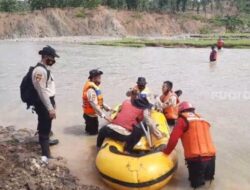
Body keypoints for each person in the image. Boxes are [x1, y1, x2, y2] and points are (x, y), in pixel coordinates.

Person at [162, 102, 216, 188]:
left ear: (180, 111)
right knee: (208, 183)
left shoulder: (182, 120)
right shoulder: (202, 119)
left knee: (196, 186)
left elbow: (173, 139)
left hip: (197, 159)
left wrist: (166, 153)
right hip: (212, 158)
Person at [97, 89, 162, 152]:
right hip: (123, 135)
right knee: (139, 130)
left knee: (102, 131)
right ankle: (127, 150)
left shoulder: (125, 102)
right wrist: (158, 134)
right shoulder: (143, 109)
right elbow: (147, 121)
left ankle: (97, 148)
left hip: (108, 130)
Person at [32, 46, 59, 159]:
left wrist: (53, 103)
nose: (53, 60)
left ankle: (46, 143)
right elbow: (41, 91)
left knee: (45, 125)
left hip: (47, 101)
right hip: (44, 103)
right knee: (45, 128)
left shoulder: (44, 69)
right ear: (46, 57)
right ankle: (46, 156)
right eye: (52, 58)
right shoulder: (39, 71)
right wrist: (50, 108)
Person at [82, 69, 111, 135]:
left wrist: (107, 107)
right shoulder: (91, 90)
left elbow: (98, 100)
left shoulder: (93, 87)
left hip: (87, 114)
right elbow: (94, 105)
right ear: (93, 78)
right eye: (98, 78)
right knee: (94, 135)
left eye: (100, 77)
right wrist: (104, 116)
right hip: (91, 117)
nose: (100, 80)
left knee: (88, 132)